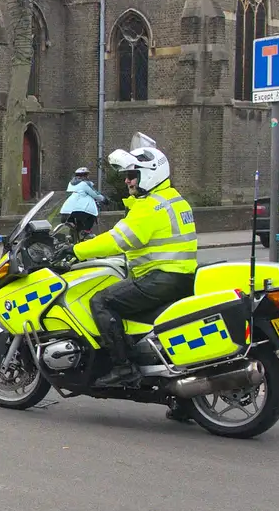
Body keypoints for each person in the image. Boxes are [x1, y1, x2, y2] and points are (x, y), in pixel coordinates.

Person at [70, 145, 197, 404]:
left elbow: (120, 239)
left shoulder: (149, 206)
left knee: (101, 301)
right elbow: (145, 242)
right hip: (179, 276)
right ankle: (179, 398)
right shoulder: (174, 199)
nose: (127, 180)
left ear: (149, 174)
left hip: (161, 277)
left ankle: (122, 368)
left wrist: (76, 251)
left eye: (132, 174)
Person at [60, 167, 104, 236]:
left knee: (77, 224)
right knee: (91, 214)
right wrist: (104, 199)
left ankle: (73, 236)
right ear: (85, 175)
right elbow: (95, 194)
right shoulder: (84, 184)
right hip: (78, 210)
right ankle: (86, 231)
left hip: (65, 210)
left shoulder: (70, 184)